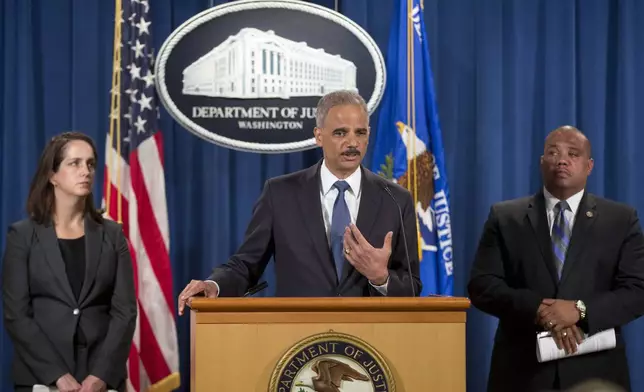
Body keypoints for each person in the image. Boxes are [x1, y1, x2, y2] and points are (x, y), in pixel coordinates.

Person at [178, 90, 421, 313]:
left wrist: (381, 278)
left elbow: (412, 285)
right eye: (340, 133)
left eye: (360, 133)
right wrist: (214, 285)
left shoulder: (395, 199)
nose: (352, 143)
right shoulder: (280, 193)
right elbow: (246, 265)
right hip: (299, 339)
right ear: (318, 136)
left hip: (372, 340)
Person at [467, 125, 644, 391]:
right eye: (553, 152)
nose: (562, 160)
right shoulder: (505, 217)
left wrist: (579, 311)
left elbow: (637, 291)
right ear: (542, 162)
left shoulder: (620, 219)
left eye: (573, 154)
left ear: (589, 166)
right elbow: (482, 286)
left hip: (596, 374)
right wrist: (539, 309)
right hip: (521, 373)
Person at [2, 132, 137, 392]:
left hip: (102, 380)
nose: (85, 171)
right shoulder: (22, 236)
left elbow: (125, 312)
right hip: (41, 379)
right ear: (52, 175)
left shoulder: (112, 235)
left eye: (90, 164)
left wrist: (100, 376)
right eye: (74, 163)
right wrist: (58, 376)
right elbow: (16, 315)